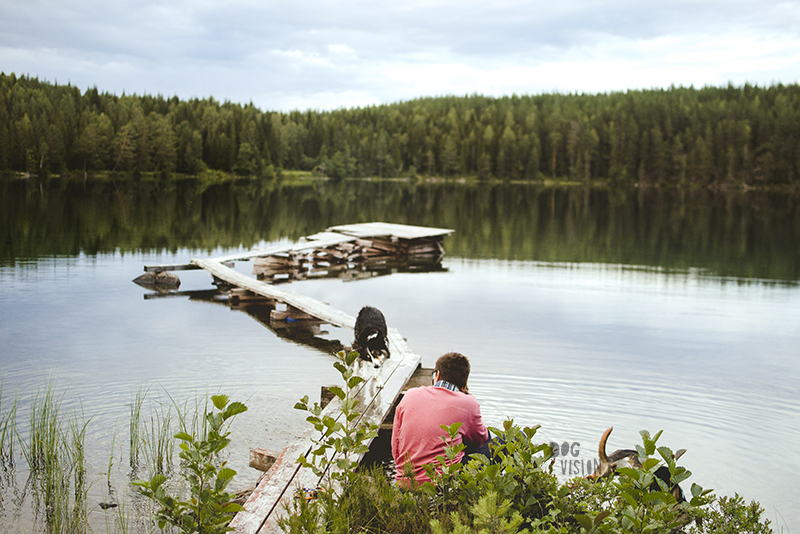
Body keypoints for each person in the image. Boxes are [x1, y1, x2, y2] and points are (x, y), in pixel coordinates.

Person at [391, 352, 490, 488]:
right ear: (464, 382)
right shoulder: (468, 403)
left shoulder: (409, 395)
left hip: (405, 482)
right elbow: (480, 441)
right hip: (443, 485)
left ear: (437, 375)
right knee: (506, 440)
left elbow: (396, 446)